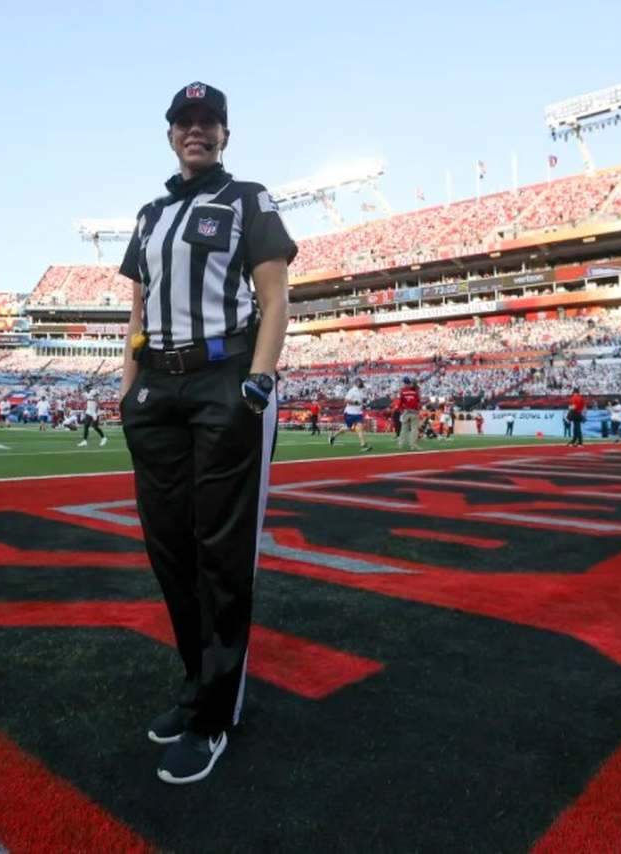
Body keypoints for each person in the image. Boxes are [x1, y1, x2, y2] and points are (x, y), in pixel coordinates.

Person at [117, 81, 296, 785]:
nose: (198, 131)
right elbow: (135, 307)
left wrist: (259, 379)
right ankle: (196, 684)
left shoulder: (248, 198)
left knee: (220, 552)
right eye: (186, 122)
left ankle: (215, 714)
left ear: (225, 133)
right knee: (170, 548)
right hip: (156, 388)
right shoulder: (149, 214)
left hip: (223, 380)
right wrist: (127, 385)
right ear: (170, 134)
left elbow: (276, 295)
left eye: (209, 122)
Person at [329, 377, 373, 452]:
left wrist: (365, 402)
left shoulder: (361, 391)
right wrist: (355, 402)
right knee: (347, 428)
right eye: (361, 382)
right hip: (350, 412)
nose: (362, 383)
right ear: (357, 383)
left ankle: (363, 445)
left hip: (358, 413)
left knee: (359, 428)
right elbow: (346, 400)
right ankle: (334, 436)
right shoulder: (352, 390)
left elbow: (362, 400)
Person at [395, 377, 420, 451]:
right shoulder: (415, 391)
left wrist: (401, 410)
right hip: (414, 411)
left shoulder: (402, 391)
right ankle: (413, 445)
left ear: (405, 383)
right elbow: (418, 401)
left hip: (406, 411)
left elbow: (400, 402)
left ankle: (400, 444)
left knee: (404, 429)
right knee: (414, 429)